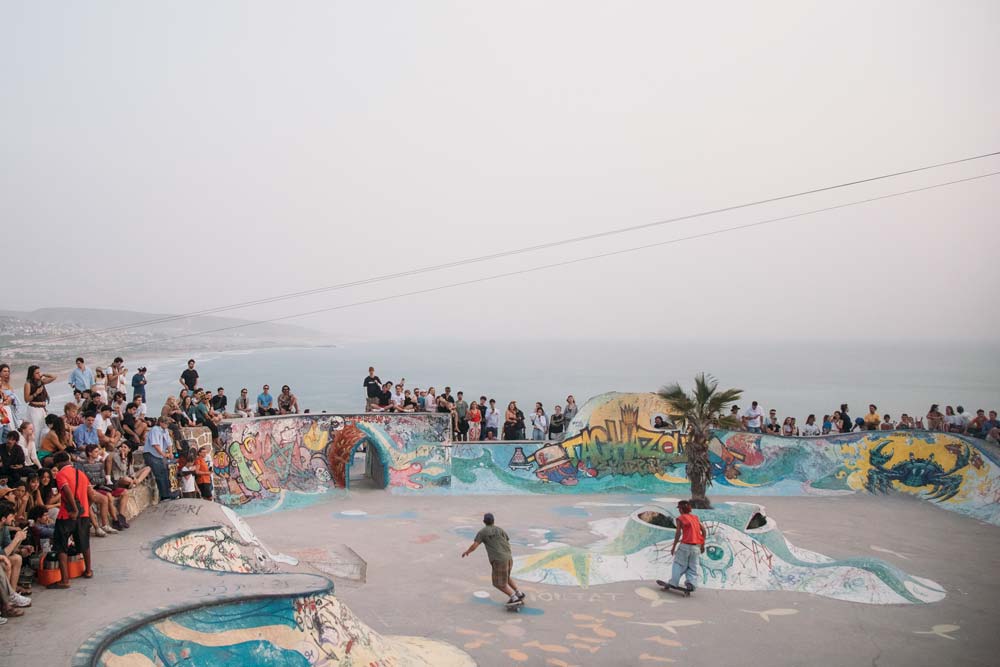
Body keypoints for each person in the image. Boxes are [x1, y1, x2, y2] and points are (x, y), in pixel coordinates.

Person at [48, 451, 92, 588]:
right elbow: (91, 493)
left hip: (67, 515)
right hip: (83, 515)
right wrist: (85, 507)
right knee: (84, 542)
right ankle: (88, 570)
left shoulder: (61, 474)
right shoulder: (81, 474)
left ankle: (65, 580)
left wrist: (74, 509)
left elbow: (66, 490)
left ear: (58, 463)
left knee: (61, 546)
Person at [461, 512, 524, 606]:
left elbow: (475, 545)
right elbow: (506, 540)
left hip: (498, 560)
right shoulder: (500, 529)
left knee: (498, 583)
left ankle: (514, 597)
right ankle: (519, 593)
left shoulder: (482, 532)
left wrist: (467, 551)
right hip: (509, 557)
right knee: (506, 577)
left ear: (484, 522)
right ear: (493, 521)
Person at [0, 498, 34, 605]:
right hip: (1, 557)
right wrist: (15, 539)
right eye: (11, 516)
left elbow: (11, 551)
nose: (13, 518)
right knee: (5, 563)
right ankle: (6, 600)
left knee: (17, 558)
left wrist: (19, 541)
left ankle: (12, 595)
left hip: (2, 555)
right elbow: (2, 554)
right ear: (3, 519)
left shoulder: (4, 528)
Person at [668, 499, 706, 593]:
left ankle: (674, 582)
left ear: (681, 509)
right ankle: (691, 583)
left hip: (685, 545)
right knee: (693, 566)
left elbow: (678, 533)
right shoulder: (695, 518)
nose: (678, 510)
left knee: (678, 564)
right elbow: (704, 530)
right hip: (696, 547)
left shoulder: (680, 518)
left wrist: (673, 547)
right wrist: (702, 545)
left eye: (679, 508)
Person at [143, 417, 178, 501]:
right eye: (165, 423)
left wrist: (170, 453)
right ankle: (164, 496)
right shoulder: (155, 430)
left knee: (165, 473)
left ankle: (169, 493)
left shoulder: (165, 431)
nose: (167, 425)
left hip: (159, 455)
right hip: (151, 454)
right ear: (161, 423)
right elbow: (155, 445)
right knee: (160, 474)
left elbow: (169, 443)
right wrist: (164, 454)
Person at [23, 366, 55, 450]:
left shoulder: (41, 381)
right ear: (32, 374)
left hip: (42, 408)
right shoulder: (28, 384)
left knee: (44, 428)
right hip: (34, 409)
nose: (39, 374)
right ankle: (34, 449)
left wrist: (44, 374)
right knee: (36, 429)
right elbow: (26, 399)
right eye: (36, 373)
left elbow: (54, 377)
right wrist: (36, 393)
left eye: (39, 372)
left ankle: (41, 447)